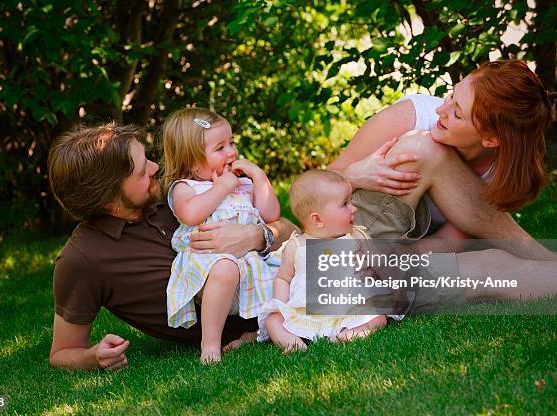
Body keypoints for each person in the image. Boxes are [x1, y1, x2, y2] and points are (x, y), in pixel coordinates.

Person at [47, 123, 296, 371]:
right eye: (142, 171)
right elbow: (62, 353)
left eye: (149, 160)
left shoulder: (177, 195)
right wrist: (92, 357)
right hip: (263, 324)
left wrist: (256, 236)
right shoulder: (82, 259)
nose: (155, 168)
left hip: (284, 294)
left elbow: (292, 230)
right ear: (109, 200)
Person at [328, 59, 555, 260]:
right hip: (351, 232)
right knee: (423, 147)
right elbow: (319, 184)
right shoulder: (411, 117)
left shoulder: (501, 171)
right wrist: (353, 175)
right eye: (451, 95)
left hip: (406, 250)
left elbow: (453, 240)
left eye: (457, 112)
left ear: (491, 140)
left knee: (495, 264)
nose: (440, 110)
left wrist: (407, 257)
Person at [161, 108, 280, 363]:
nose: (232, 153)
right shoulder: (186, 188)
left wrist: (258, 177)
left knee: (288, 271)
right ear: (191, 161)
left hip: (251, 265)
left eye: (232, 143)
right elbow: (190, 214)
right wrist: (223, 187)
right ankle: (210, 344)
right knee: (226, 268)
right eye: (220, 148)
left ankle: (260, 332)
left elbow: (271, 215)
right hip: (209, 267)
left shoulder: (243, 184)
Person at [259, 170, 388, 352]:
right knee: (273, 320)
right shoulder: (296, 246)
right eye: (345, 204)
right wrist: (282, 305)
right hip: (306, 313)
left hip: (348, 308)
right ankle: (293, 344)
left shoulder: (356, 237)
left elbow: (378, 264)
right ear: (317, 219)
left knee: (378, 317)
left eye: (350, 201)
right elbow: (283, 278)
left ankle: (351, 334)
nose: (354, 208)